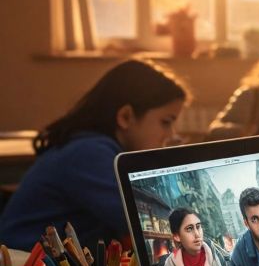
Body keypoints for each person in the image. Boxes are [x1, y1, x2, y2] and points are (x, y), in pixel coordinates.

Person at [0, 59, 187, 250]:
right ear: (125, 117)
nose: (171, 134)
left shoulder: (96, 148)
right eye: (166, 122)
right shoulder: (88, 154)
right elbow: (141, 223)